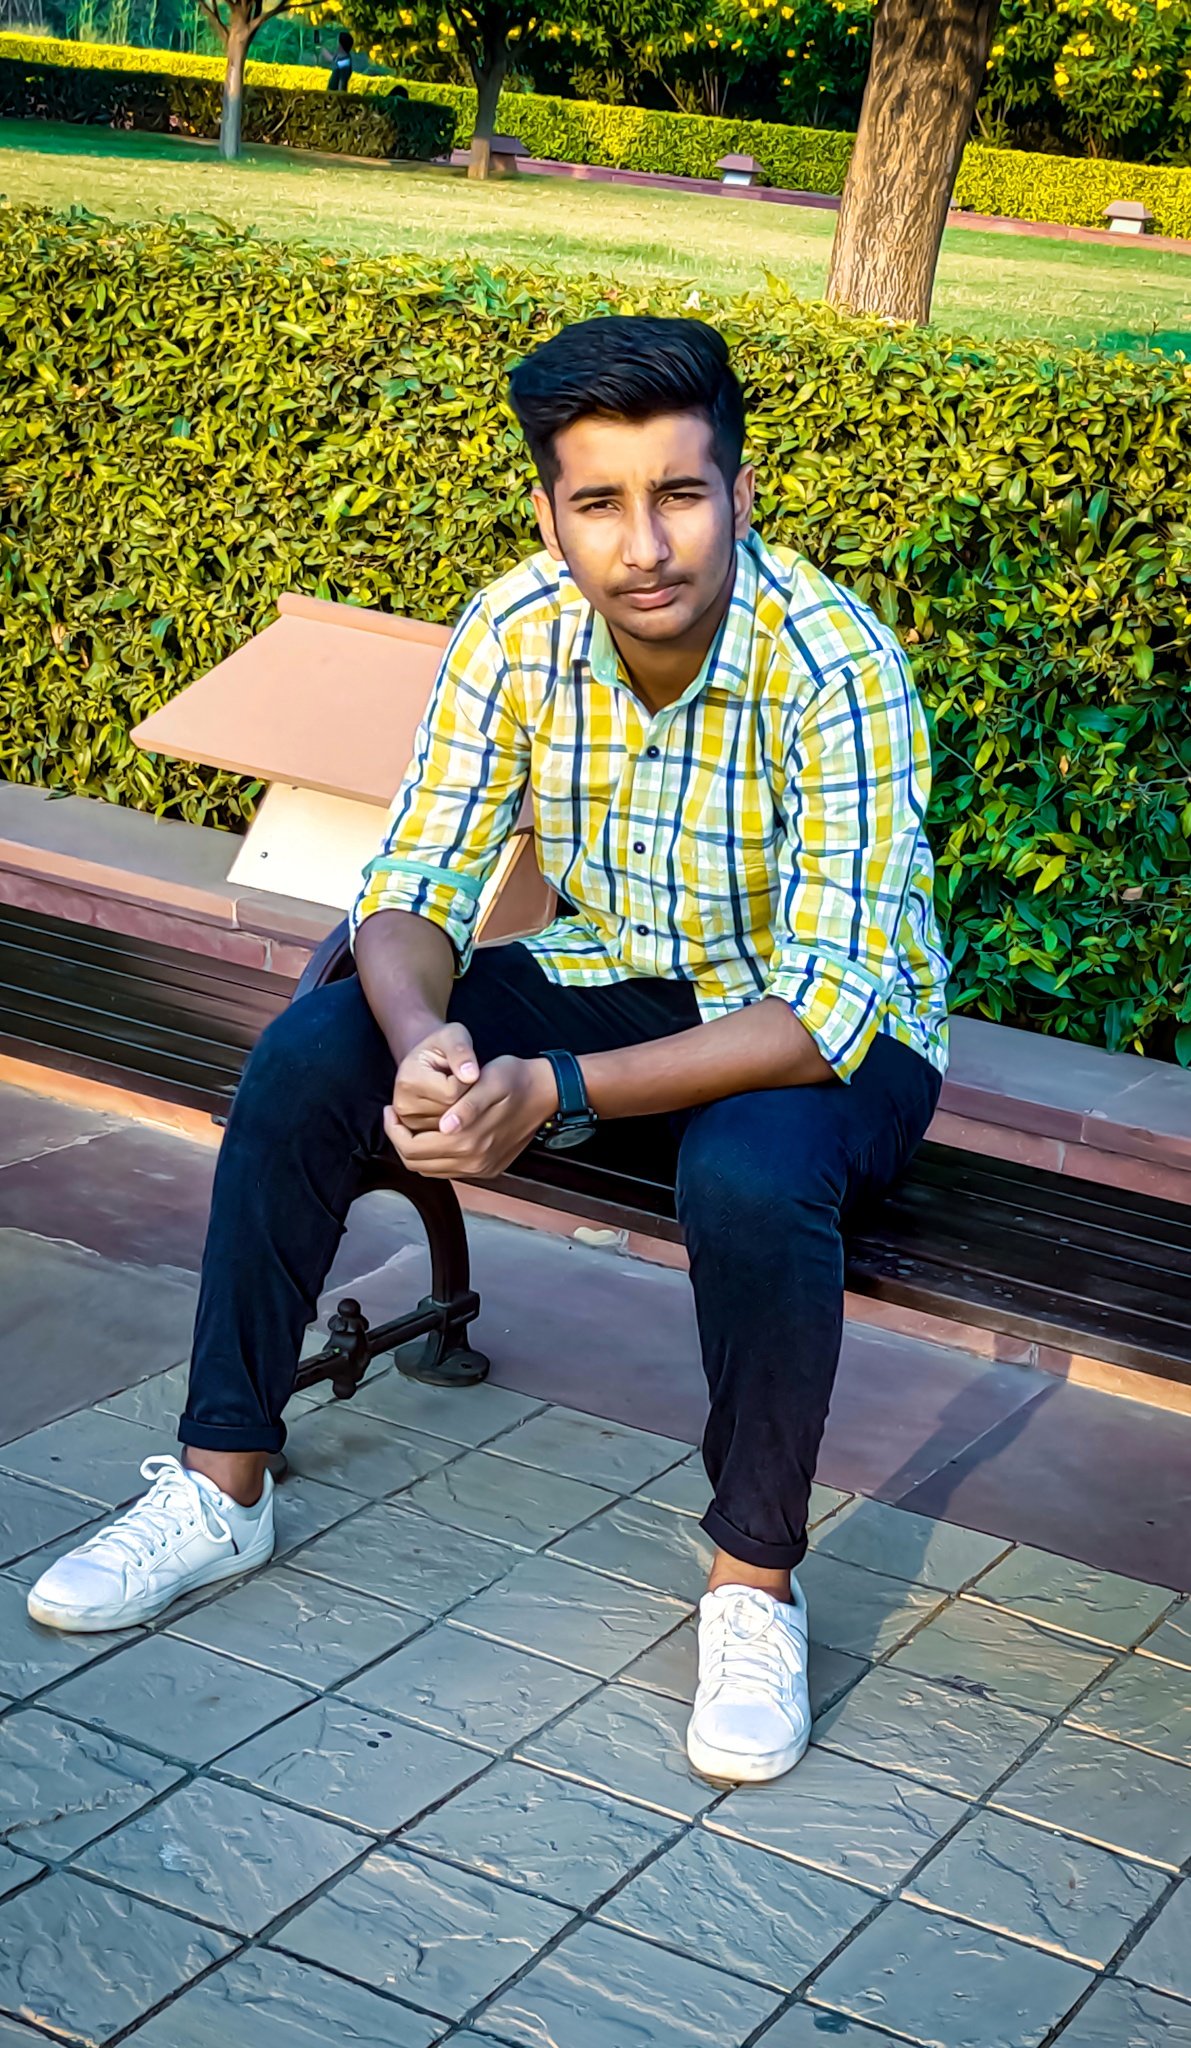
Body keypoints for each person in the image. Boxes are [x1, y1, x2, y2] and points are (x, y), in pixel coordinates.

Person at [28, 317, 949, 1787]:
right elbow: (415, 883)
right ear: (550, 513)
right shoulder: (518, 628)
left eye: (680, 495)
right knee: (312, 1051)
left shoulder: (835, 664)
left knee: (752, 1176)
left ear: (740, 493)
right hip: (616, 970)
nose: (644, 545)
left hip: (830, 1035)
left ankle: (754, 1585)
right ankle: (221, 1482)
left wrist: (556, 1090)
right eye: (600, 503)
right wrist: (424, 1044)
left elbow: (825, 1008)